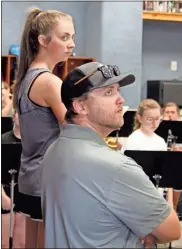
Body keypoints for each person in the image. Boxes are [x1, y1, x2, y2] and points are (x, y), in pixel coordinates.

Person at [41, 62, 180, 248]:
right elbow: (172, 230)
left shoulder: (53, 150)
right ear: (80, 106)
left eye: (117, 90)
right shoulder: (115, 166)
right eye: (108, 92)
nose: (121, 100)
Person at [13, 7, 75, 248]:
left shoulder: (26, 77)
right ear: (42, 40)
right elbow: (74, 129)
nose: (71, 44)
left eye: (72, 37)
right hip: (47, 180)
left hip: (30, 178)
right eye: (64, 37)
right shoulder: (49, 81)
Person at [2, 110, 25, 248]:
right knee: (4, 243)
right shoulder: (2, 139)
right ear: (14, 116)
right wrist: (3, 197)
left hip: (24, 193)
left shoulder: (34, 143)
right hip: (4, 193)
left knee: (21, 243)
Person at [163, 102, 182, 212]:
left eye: (173, 112)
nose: (170, 115)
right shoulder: (159, 128)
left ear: (178, 115)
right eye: (167, 112)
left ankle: (174, 207)